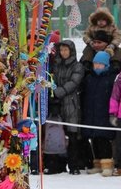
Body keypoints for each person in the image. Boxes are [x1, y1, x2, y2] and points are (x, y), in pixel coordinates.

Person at [50, 39, 88, 174]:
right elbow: (52, 79)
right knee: (58, 135)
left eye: (66, 50)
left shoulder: (77, 66)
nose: (63, 52)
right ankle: (58, 165)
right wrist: (52, 91)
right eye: (62, 50)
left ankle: (74, 165)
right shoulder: (56, 64)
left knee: (72, 136)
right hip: (58, 104)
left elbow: (74, 82)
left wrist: (58, 92)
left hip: (71, 103)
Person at [81, 51, 117, 176]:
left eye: (100, 64)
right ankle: (96, 164)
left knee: (104, 140)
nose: (97, 66)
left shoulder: (111, 78)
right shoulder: (89, 77)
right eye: (95, 63)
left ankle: (107, 164)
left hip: (104, 113)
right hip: (91, 113)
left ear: (106, 65)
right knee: (94, 139)